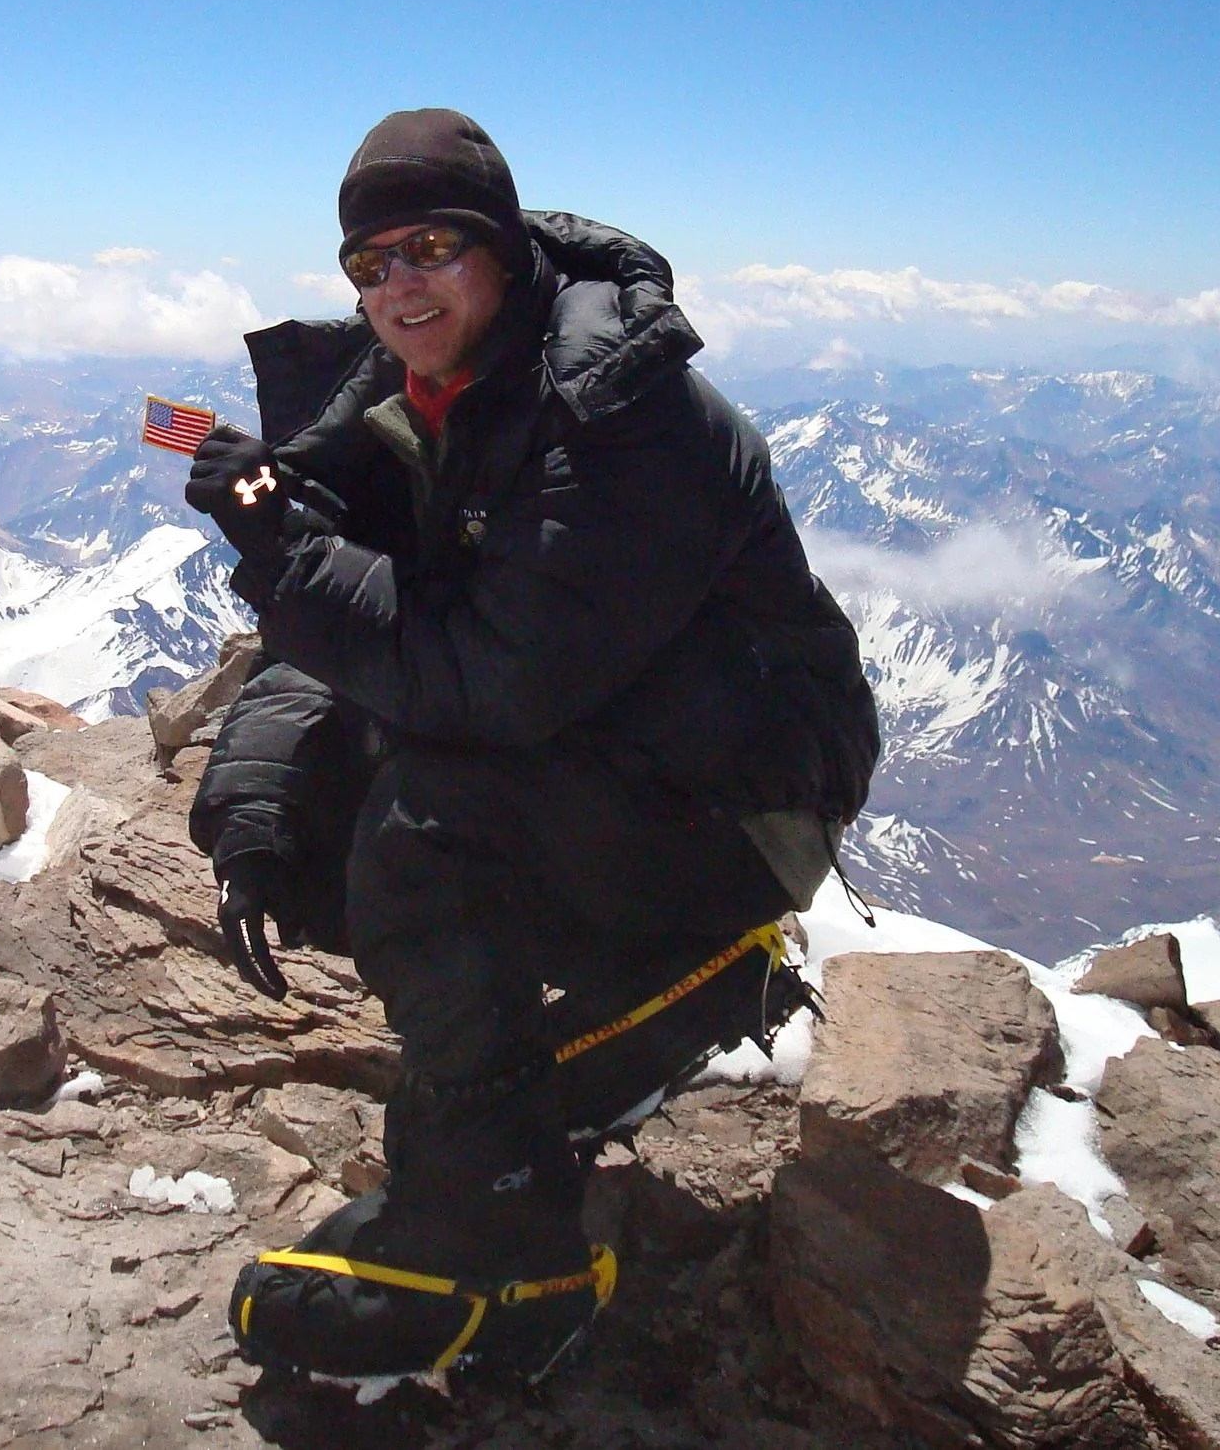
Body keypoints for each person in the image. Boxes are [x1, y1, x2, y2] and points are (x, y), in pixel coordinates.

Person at [181, 108, 879, 1386]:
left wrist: (279, 548)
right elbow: (347, 632)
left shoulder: (621, 418)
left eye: (430, 246)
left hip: (745, 801)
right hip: (623, 745)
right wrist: (259, 795)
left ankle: (499, 1258)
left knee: (429, 822)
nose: (397, 285)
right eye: (368, 263)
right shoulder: (410, 399)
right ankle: (617, 1008)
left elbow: (489, 689)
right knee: (323, 833)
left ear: (499, 251)